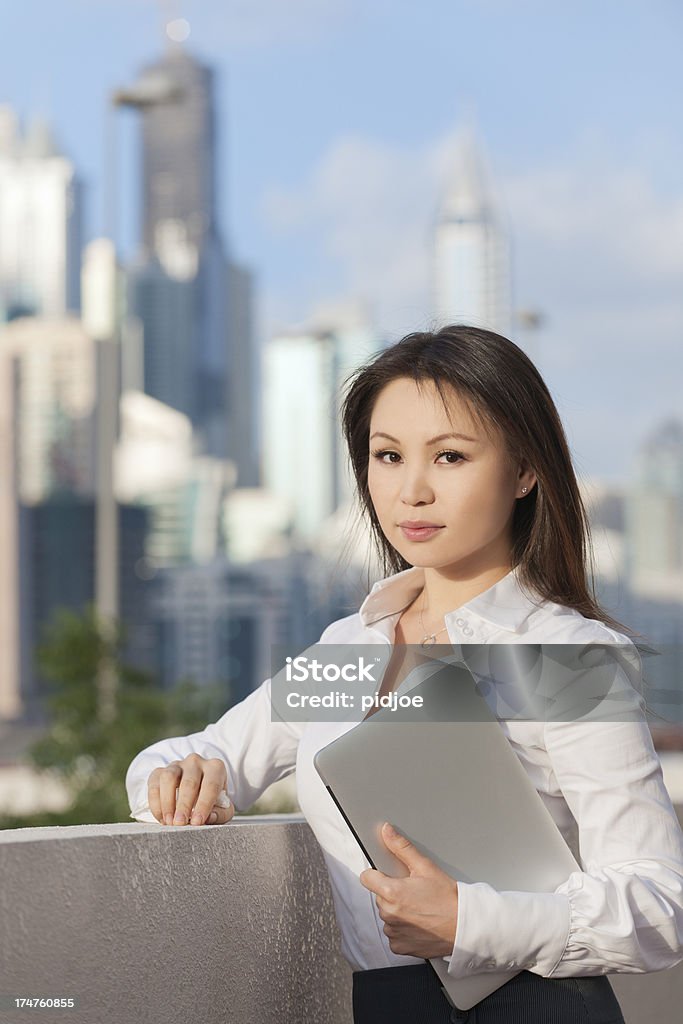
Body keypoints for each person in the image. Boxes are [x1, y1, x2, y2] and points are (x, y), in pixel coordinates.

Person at [126, 325, 683, 1023]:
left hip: (540, 1005)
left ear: (522, 471)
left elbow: (658, 903)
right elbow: (191, 756)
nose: (410, 490)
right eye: (386, 456)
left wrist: (470, 922)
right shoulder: (349, 649)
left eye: (449, 456)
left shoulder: (562, 656)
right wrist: (175, 782)